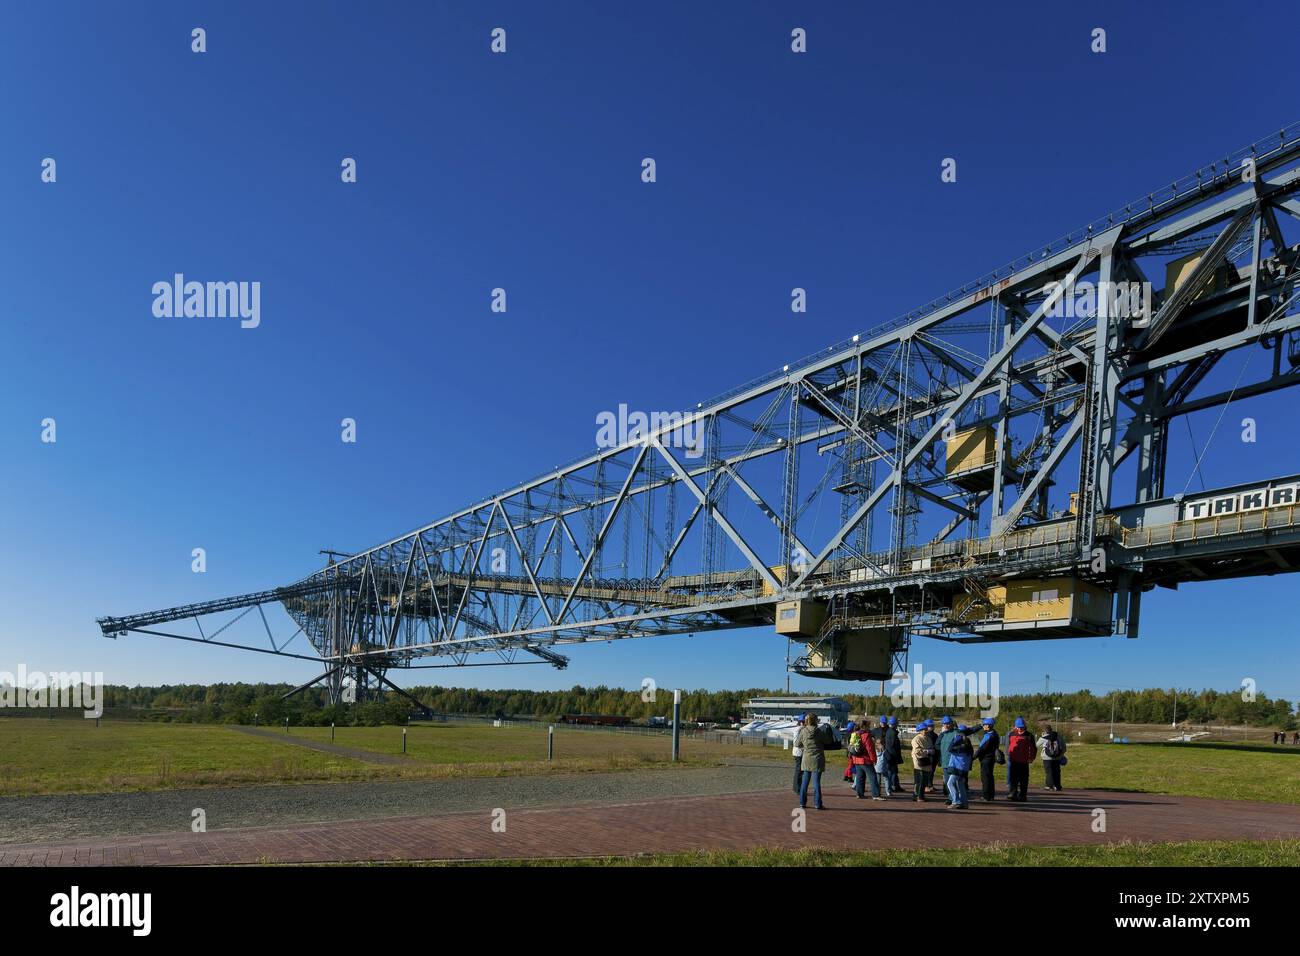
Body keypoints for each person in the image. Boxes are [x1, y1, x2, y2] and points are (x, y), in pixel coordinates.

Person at [795, 713, 827, 810]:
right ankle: (818, 804)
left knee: (805, 782)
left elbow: (797, 743)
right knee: (816, 782)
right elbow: (828, 741)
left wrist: (804, 746)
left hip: (806, 758)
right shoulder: (818, 731)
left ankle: (802, 803)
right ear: (816, 720)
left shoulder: (803, 731)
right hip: (817, 758)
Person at [846, 721, 881, 800]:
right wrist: (874, 759)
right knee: (872, 777)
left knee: (860, 777)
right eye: (869, 725)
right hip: (865, 760)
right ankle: (876, 795)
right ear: (866, 726)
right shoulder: (866, 735)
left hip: (856, 759)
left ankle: (859, 793)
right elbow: (870, 749)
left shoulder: (856, 734)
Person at [1005, 716, 1037, 802]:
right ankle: (1013, 793)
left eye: (1021, 727)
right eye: (1018, 727)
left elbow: (1033, 748)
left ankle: (1023, 795)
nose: (1019, 729)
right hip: (1013, 760)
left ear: (1024, 726)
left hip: (1024, 761)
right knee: (1013, 778)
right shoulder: (1011, 734)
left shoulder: (1029, 736)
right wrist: (1008, 754)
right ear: (1015, 726)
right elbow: (1008, 746)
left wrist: (1031, 758)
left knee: (1023, 779)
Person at [946, 724, 974, 809]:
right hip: (964, 768)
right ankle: (964, 803)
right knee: (960, 784)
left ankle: (956, 801)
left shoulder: (961, 745)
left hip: (957, 767)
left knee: (950, 783)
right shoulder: (968, 744)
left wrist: (955, 740)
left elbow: (949, 749)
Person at [972, 716, 1000, 802]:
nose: (983, 726)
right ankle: (991, 795)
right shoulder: (995, 734)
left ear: (988, 726)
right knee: (990, 777)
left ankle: (986, 796)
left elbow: (981, 749)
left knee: (985, 778)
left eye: (984, 725)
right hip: (991, 758)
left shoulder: (988, 736)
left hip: (985, 759)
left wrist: (973, 758)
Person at [910, 722, 935, 802]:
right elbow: (917, 751)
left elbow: (932, 747)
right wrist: (927, 751)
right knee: (919, 780)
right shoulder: (916, 739)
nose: (926, 730)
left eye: (926, 729)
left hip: (927, 761)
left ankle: (921, 795)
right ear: (920, 730)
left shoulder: (928, 738)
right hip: (919, 762)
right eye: (924, 729)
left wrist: (931, 751)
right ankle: (917, 796)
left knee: (924, 780)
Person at [1038, 724, 1067, 791]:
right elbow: (1064, 747)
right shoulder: (1058, 736)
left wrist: (1042, 736)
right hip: (1057, 757)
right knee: (1057, 771)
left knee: (1049, 771)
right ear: (1051, 729)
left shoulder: (1044, 738)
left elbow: (1037, 745)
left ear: (1044, 731)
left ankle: (1049, 786)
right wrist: (1061, 755)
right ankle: (1058, 786)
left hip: (1046, 757)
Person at [936, 716, 957, 804]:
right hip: (945, 762)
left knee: (952, 782)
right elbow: (936, 745)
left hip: (953, 761)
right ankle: (950, 797)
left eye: (948, 724)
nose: (946, 725)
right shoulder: (943, 734)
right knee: (948, 781)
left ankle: (955, 798)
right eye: (945, 724)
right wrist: (941, 734)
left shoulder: (956, 733)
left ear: (952, 724)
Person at [874, 716, 893, 796]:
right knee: (886, 777)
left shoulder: (876, 750)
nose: (883, 724)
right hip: (885, 765)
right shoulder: (884, 750)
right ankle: (888, 791)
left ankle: (878, 791)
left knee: (879, 778)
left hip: (877, 767)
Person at [885, 716, 903, 794]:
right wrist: (896, 755)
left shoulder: (890, 731)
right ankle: (892, 786)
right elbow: (892, 746)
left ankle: (895, 785)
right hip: (892, 756)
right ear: (895, 723)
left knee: (892, 772)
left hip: (890, 755)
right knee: (892, 772)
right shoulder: (892, 733)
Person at [791, 712, 806, 794]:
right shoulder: (799, 729)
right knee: (799, 771)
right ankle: (797, 788)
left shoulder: (798, 728)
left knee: (799, 770)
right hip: (798, 752)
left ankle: (796, 787)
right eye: (804, 722)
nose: (805, 724)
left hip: (798, 752)